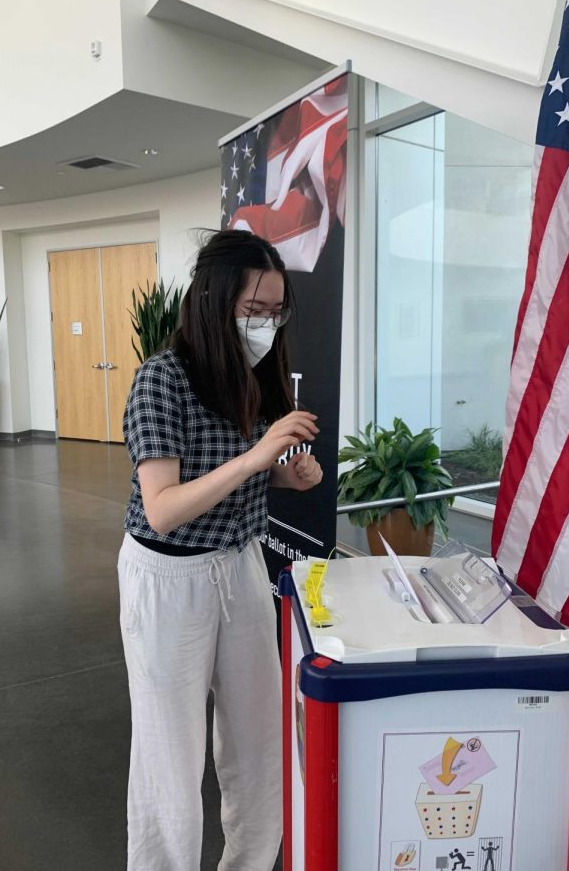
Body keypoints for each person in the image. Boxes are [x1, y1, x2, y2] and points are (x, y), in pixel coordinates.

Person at [118, 229, 323, 871]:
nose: (264, 325)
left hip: (239, 564)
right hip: (168, 577)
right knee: (168, 753)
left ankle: (252, 862)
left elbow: (243, 475)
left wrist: (284, 473)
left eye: (274, 312)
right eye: (252, 311)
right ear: (211, 301)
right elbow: (165, 508)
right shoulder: (162, 378)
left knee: (259, 737)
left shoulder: (254, 374)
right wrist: (259, 455)